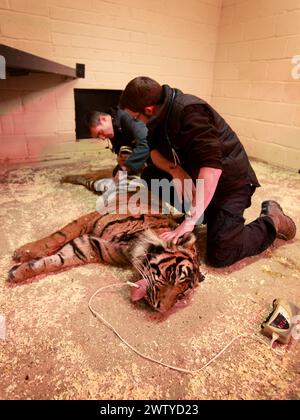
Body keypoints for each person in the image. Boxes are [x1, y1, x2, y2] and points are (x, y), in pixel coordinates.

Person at [119, 76, 297, 268]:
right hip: (199, 180)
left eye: (136, 117)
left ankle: (273, 220)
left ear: (149, 109)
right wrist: (176, 171)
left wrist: (190, 221)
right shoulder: (158, 118)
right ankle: (206, 214)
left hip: (230, 185)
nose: (138, 123)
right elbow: (153, 152)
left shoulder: (190, 112)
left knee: (222, 253)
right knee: (151, 176)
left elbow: (211, 169)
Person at [85, 107, 149, 176]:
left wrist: (126, 167)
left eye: (100, 132)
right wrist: (121, 158)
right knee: (117, 173)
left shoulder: (126, 117)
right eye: (98, 137)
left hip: (155, 153)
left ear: (103, 119)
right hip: (140, 155)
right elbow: (121, 148)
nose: (102, 138)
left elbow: (146, 143)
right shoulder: (112, 127)